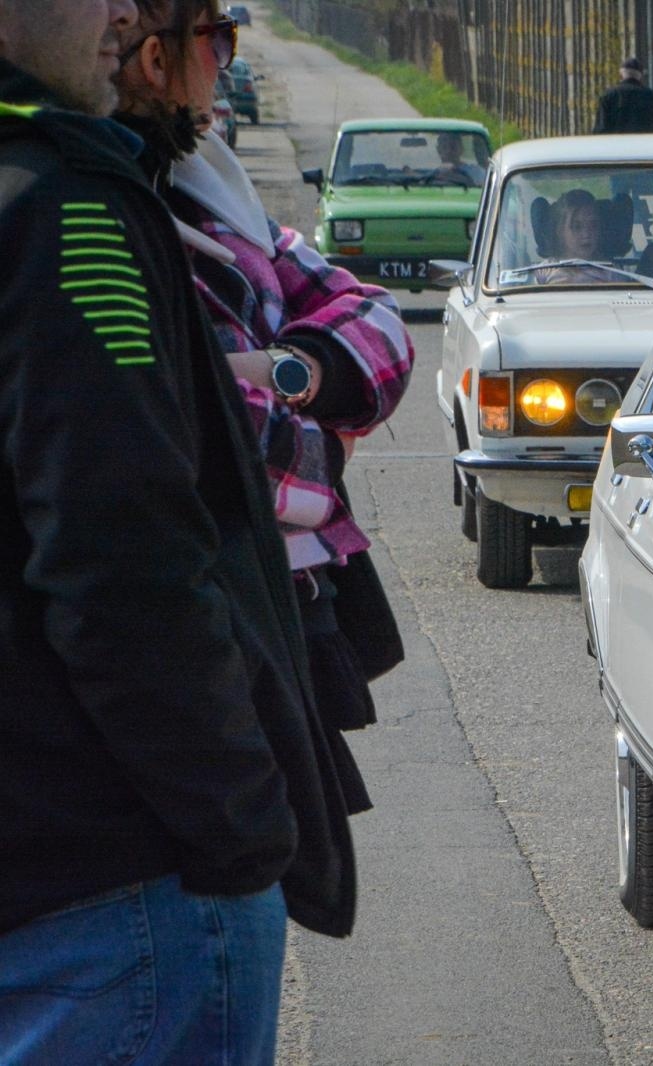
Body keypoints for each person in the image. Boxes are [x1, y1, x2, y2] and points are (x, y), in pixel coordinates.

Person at [0, 0, 354, 1060]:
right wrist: (241, 823)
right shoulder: (67, 208)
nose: (119, 12)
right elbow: (122, 552)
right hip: (115, 880)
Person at [114, 0, 413, 785]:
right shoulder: (110, 208)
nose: (229, 61)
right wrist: (327, 443)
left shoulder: (209, 180)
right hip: (216, 625)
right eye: (218, 37)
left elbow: (377, 319)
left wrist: (292, 371)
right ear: (155, 61)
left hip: (280, 613)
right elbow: (215, 435)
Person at [530, 187, 619, 283]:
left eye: (593, 225)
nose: (586, 234)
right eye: (577, 227)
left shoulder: (611, 272)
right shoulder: (544, 271)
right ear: (560, 231)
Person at [592, 55, 653, 134]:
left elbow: (601, 128)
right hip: (645, 144)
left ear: (621, 75)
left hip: (616, 144)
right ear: (640, 76)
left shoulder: (608, 96)